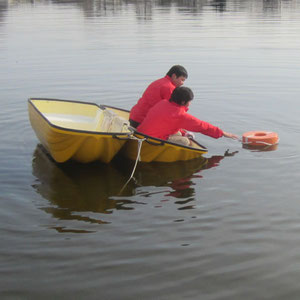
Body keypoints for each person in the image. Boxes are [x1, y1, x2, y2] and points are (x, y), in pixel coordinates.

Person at [137, 86, 238, 146]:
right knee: (185, 142)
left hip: (141, 133)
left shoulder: (163, 103)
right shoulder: (179, 115)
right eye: (189, 101)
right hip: (151, 140)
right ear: (183, 102)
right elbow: (202, 126)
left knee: (180, 133)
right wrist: (224, 133)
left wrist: (182, 132)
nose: (190, 104)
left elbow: (169, 123)